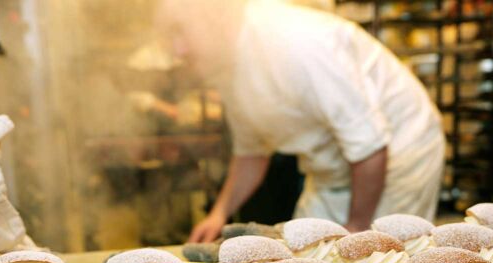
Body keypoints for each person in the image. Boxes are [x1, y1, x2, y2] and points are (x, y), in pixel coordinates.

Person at [160, 0, 446, 242]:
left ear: (215, 16)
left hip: (400, 153)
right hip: (332, 168)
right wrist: (219, 214)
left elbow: (370, 145)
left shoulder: (294, 42)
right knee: (304, 260)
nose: (177, 51)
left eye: (182, 32)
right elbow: (251, 152)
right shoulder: (225, 63)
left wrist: (357, 227)